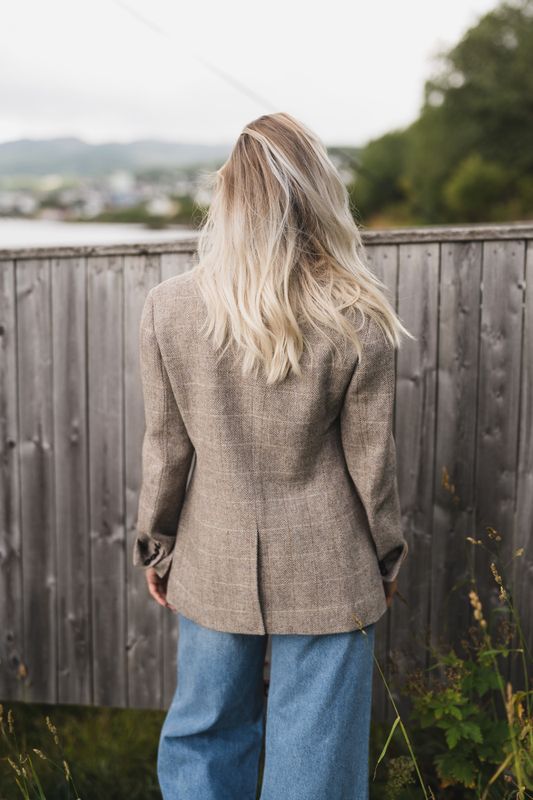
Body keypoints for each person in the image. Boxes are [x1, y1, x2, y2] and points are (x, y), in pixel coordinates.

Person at [132, 111, 412, 800]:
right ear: (318, 194)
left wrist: (156, 547)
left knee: (203, 736)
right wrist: (387, 557)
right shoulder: (355, 315)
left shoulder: (169, 309)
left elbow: (166, 449)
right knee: (314, 757)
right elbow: (371, 464)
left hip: (209, 558)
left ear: (228, 198)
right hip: (331, 564)